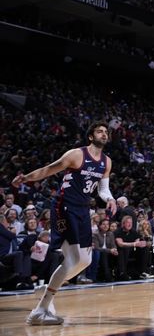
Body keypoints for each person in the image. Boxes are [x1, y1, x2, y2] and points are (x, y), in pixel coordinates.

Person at [12, 121, 117, 325]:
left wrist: (111, 199)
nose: (104, 134)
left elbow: (103, 189)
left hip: (83, 209)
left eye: (106, 132)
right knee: (72, 259)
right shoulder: (76, 155)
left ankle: (49, 288)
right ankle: (39, 311)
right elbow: (48, 170)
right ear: (90, 136)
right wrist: (25, 178)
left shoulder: (107, 162)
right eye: (100, 131)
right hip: (64, 206)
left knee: (85, 260)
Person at [114, 215, 151, 280]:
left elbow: (137, 241)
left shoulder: (133, 231)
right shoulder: (118, 231)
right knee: (125, 248)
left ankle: (143, 272)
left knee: (145, 248)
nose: (130, 224)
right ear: (123, 223)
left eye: (131, 222)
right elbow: (120, 244)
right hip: (120, 251)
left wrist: (142, 243)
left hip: (132, 251)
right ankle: (122, 273)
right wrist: (134, 244)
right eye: (128, 222)